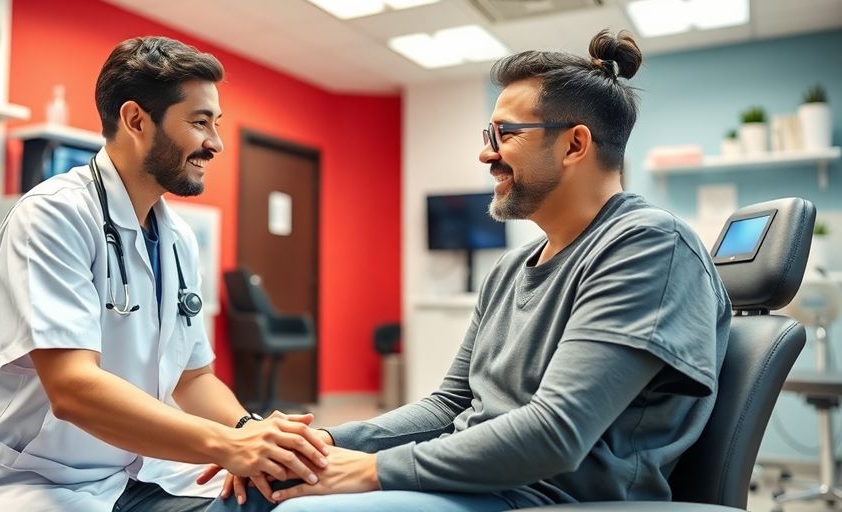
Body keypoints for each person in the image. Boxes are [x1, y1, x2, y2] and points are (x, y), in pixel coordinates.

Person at [204, 29, 732, 512]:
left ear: (575, 144)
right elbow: (447, 406)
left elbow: (557, 433)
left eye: (505, 134)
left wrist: (370, 471)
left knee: (298, 506)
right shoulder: (511, 268)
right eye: (489, 132)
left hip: (546, 496)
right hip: (477, 481)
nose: (486, 153)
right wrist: (317, 445)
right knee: (266, 485)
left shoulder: (648, 245)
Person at [0, 36, 329, 512]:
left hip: (131, 473)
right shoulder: (53, 215)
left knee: (275, 501)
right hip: (29, 482)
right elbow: (73, 389)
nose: (216, 143)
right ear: (136, 120)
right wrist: (227, 446)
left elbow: (194, 378)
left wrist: (247, 431)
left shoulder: (178, 238)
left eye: (217, 124)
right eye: (200, 122)